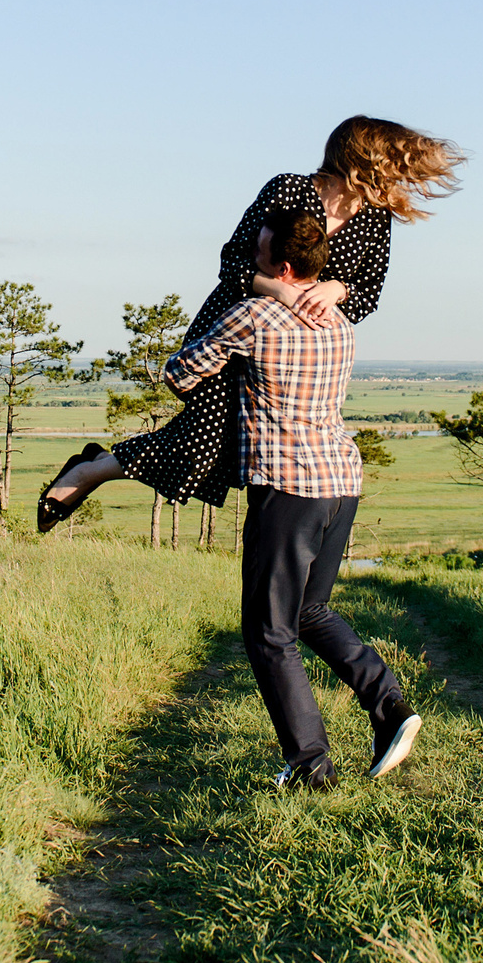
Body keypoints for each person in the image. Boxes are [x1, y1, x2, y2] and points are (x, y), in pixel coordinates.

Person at [36, 115, 462, 531]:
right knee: (200, 443)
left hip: (294, 355)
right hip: (237, 331)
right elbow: (232, 261)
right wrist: (277, 290)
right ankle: (88, 473)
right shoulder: (288, 189)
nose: (395, 178)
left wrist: (337, 289)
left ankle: (93, 467)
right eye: (389, 165)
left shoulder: (374, 218)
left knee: (239, 451)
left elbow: (368, 291)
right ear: (359, 163)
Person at [162, 208, 420, 788]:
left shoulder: (255, 315)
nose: (251, 259)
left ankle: (309, 768)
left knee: (269, 632)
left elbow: (179, 373)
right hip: (341, 482)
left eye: (257, 252)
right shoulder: (340, 324)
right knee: (310, 611)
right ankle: (391, 710)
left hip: (286, 486)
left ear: (280, 265)